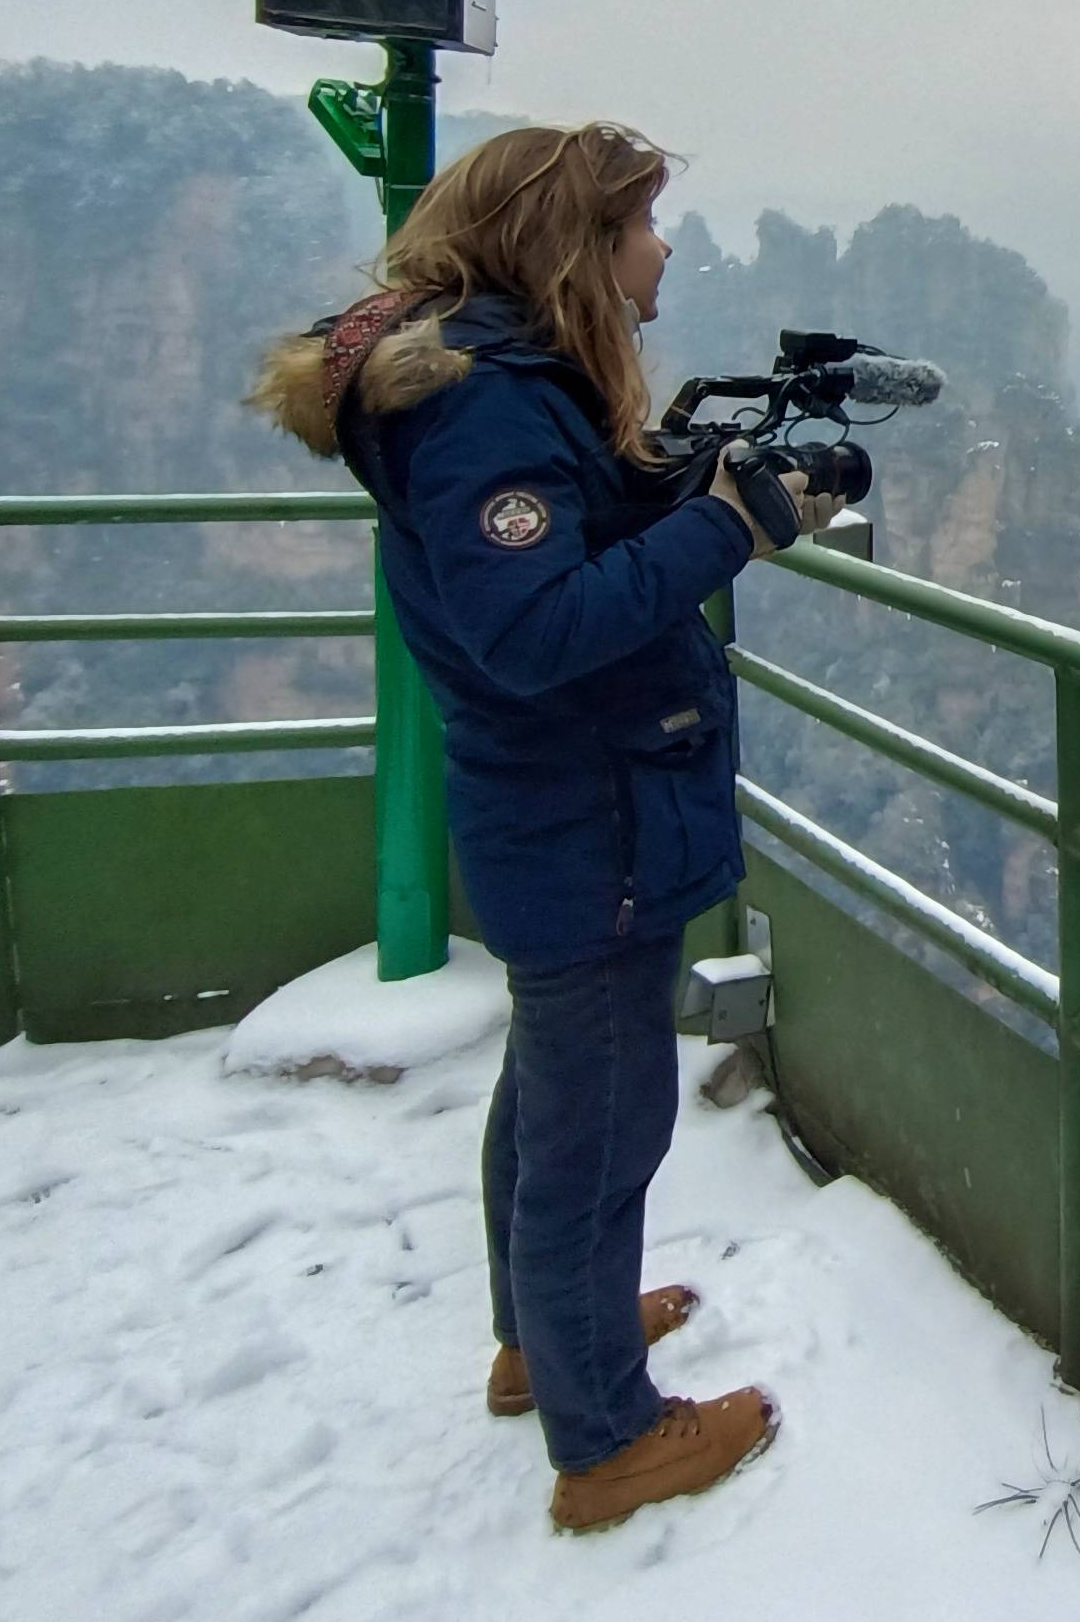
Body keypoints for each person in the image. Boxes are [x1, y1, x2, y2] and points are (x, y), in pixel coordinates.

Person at [251, 121, 836, 1533]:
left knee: (559, 1090)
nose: (666, 248)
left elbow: (556, 537)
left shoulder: (494, 376)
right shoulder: (486, 410)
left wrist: (682, 473)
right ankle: (610, 1436)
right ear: (573, 243)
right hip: (592, 809)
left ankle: (545, 1340)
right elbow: (535, 629)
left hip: (565, 804)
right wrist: (728, 533)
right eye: (642, 225)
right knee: (605, 1120)